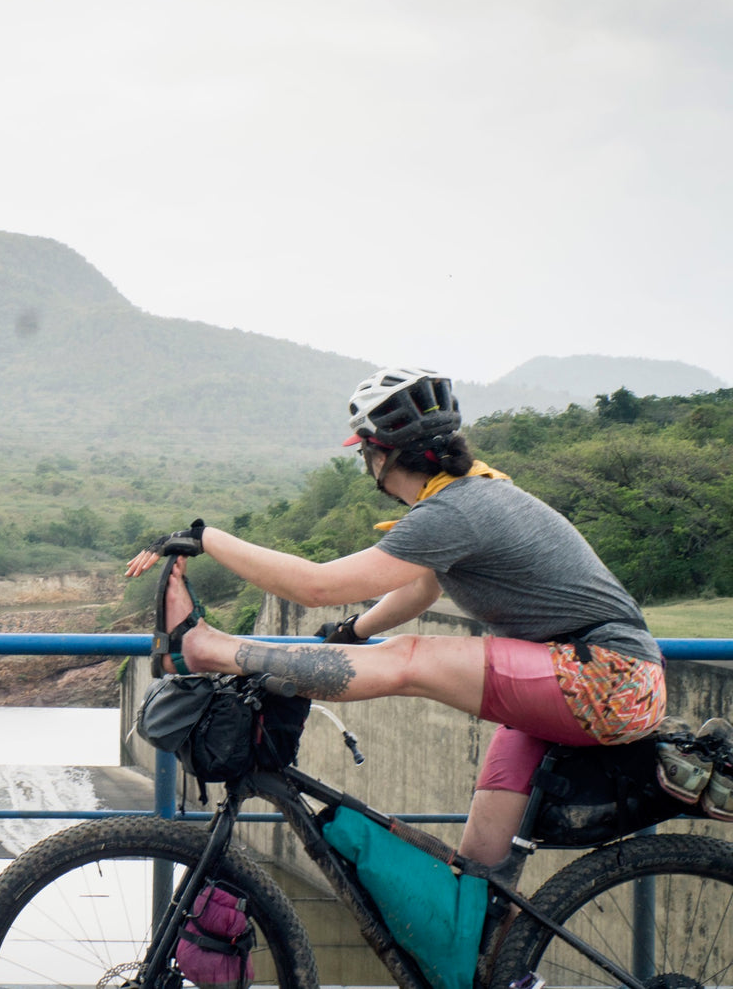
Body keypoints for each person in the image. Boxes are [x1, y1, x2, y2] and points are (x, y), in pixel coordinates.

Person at [125, 367, 667, 865]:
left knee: (412, 657)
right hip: (586, 679)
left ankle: (206, 647)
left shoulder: (456, 510)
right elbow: (422, 589)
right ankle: (499, 967)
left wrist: (205, 536)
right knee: (478, 861)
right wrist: (353, 632)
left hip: (606, 676)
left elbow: (316, 585)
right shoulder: (467, 498)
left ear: (378, 454)